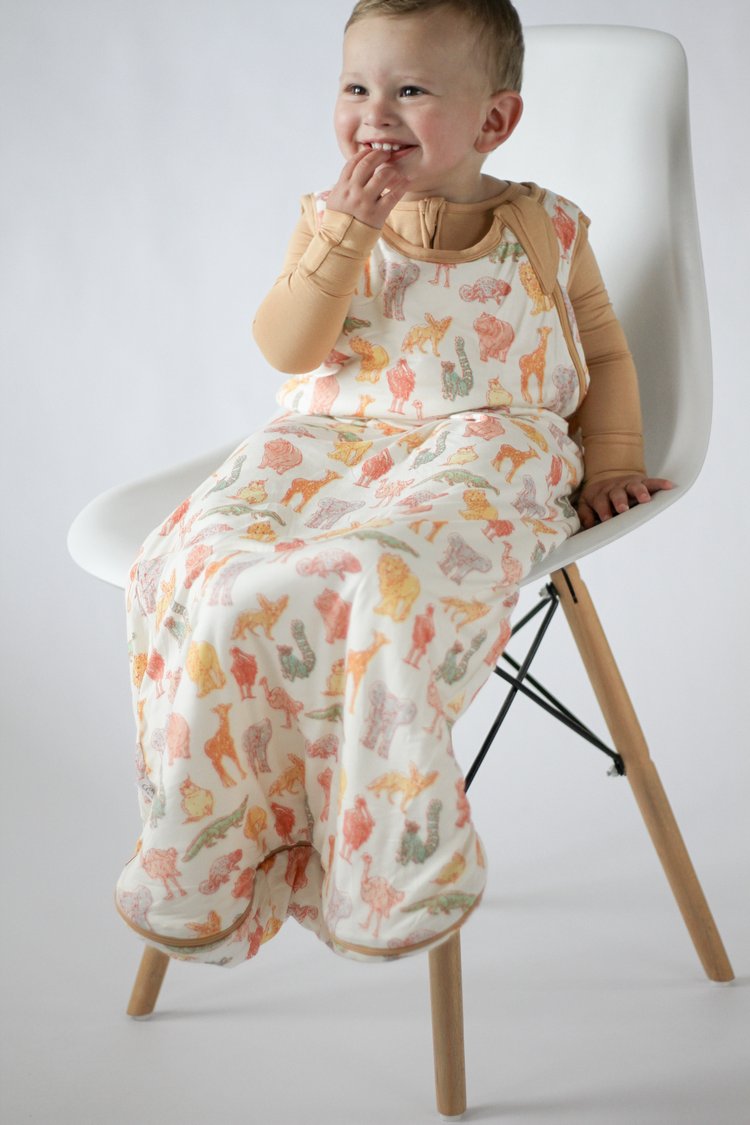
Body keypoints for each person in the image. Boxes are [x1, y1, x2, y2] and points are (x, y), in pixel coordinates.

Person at [118, 0, 672, 968]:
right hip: (329, 446)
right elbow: (287, 348)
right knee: (198, 565)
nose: (376, 113)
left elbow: (608, 356)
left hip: (480, 451)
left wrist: (614, 461)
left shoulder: (547, 226)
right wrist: (343, 236)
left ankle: (388, 863)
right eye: (356, 87)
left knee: (377, 571)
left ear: (495, 122)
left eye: (411, 90)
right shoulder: (329, 222)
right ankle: (206, 855)